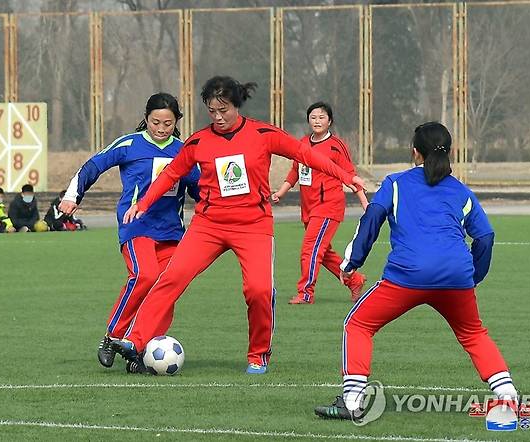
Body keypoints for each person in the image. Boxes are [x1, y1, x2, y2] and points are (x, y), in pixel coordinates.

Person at [118, 76, 366, 375]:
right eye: (212, 111)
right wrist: (142, 204)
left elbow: (306, 155)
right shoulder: (198, 141)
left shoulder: (263, 133)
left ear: (237, 105)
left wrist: (346, 176)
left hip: (253, 225)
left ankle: (258, 354)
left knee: (259, 290)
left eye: (224, 109)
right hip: (208, 225)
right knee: (171, 278)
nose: (219, 117)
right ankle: (135, 339)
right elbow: (171, 174)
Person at [315, 122, 518, 420]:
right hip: (456, 278)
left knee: (358, 325)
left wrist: (351, 263)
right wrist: (473, 276)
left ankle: (352, 401)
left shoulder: (396, 183)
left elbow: (373, 216)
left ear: (414, 153)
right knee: (473, 333)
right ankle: (509, 396)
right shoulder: (461, 191)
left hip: (408, 276)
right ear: (450, 152)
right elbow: (485, 236)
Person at [58, 92, 200, 369]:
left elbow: (200, 189)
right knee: (145, 275)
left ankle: (141, 350)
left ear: (177, 122)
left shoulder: (184, 151)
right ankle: (113, 336)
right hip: (137, 227)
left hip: (172, 232)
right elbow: (94, 165)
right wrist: (72, 196)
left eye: (168, 124)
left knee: (167, 289)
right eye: (155, 122)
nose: (161, 129)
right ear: (146, 118)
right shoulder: (130, 144)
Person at [271, 102, 369, 305]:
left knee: (310, 249)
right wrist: (280, 192)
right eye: (313, 117)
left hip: (329, 206)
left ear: (330, 121)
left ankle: (305, 293)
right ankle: (354, 280)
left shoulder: (337, 145)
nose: (317, 121)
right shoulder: (302, 143)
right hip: (309, 207)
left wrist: (365, 205)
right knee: (322, 253)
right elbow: (295, 172)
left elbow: (350, 176)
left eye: (321, 117)